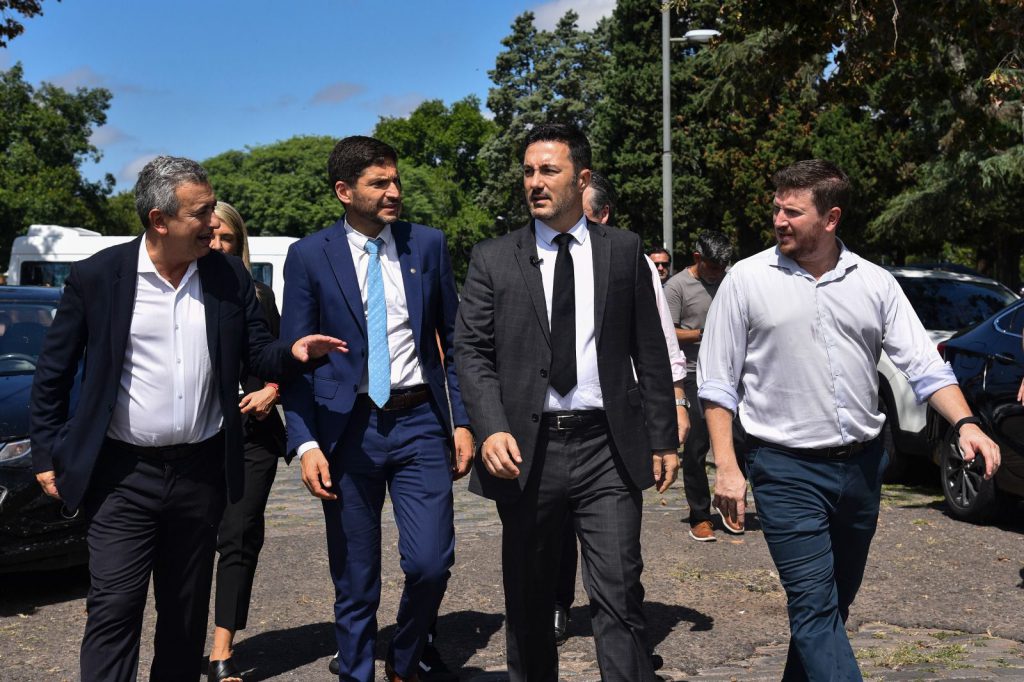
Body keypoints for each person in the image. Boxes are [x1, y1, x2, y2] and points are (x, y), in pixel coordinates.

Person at [29, 156, 344, 682]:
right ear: (159, 220)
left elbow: (257, 354)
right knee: (114, 608)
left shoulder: (227, 276)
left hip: (201, 473)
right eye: (200, 213)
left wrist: (294, 354)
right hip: (122, 476)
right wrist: (45, 455)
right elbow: (53, 373)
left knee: (184, 613)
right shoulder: (98, 276)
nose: (213, 224)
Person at [698, 159, 1001, 681]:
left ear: (831, 218)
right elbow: (717, 382)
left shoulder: (874, 283)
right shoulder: (746, 280)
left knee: (832, 606)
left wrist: (966, 424)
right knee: (814, 607)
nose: (779, 220)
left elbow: (924, 366)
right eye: (777, 208)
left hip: (861, 469)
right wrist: (726, 466)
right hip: (784, 469)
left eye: (793, 212)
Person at [455, 123, 678, 682]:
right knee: (529, 600)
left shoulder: (623, 250)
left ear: (581, 179)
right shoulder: (493, 258)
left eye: (548, 171)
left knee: (619, 592)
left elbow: (650, 349)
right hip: (527, 452)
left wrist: (663, 437)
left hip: (607, 448)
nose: (535, 182)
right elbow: (471, 351)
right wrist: (490, 427)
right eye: (528, 171)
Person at [280, 135, 472, 682]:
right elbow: (295, 359)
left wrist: (463, 421)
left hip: (420, 422)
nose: (394, 192)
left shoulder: (427, 245)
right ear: (344, 191)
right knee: (356, 577)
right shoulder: (309, 255)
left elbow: (456, 341)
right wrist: (305, 442)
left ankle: (406, 660)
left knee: (431, 563)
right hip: (347, 429)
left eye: (395, 180)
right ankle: (355, 672)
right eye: (379, 183)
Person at [552, 170, 689, 649]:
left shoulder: (629, 258)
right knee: (551, 534)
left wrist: (674, 406)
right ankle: (554, 603)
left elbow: (658, 343)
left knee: (618, 551)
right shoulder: (532, 255)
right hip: (547, 426)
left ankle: (628, 640)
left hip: (613, 424)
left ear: (602, 214)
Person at [205, 201, 288, 682]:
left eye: (228, 239)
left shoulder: (259, 295)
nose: (218, 245)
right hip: (196, 437)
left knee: (238, 536)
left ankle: (222, 651)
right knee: (191, 541)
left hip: (254, 435)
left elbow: (278, 359)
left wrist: (272, 389)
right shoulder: (183, 294)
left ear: (240, 245)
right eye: (211, 235)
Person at [664, 230, 735, 541]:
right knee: (695, 448)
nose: (718, 273)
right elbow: (667, 333)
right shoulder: (677, 286)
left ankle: (732, 503)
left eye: (722, 267)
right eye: (713, 267)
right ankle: (700, 515)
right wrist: (703, 334)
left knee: (740, 442)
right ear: (697, 258)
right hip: (693, 374)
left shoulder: (730, 281)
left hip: (730, 374)